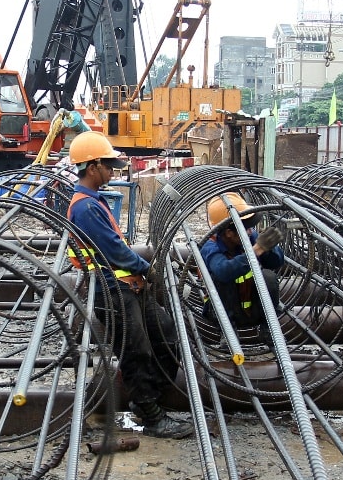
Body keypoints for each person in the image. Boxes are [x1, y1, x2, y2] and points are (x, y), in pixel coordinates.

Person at [65, 131, 191, 439]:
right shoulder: (85, 207)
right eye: (108, 166)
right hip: (114, 292)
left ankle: (148, 400)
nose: (111, 171)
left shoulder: (93, 203)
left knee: (166, 335)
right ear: (92, 167)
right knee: (137, 351)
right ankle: (151, 416)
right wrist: (148, 268)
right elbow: (115, 252)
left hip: (129, 288)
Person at [201, 192, 287, 337]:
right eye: (244, 228)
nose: (249, 232)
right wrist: (256, 250)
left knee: (269, 277)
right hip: (222, 313)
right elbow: (223, 271)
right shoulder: (210, 247)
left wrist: (270, 248)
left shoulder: (249, 235)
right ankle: (227, 331)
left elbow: (276, 263)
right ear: (229, 232)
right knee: (222, 280)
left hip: (252, 310)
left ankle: (268, 326)